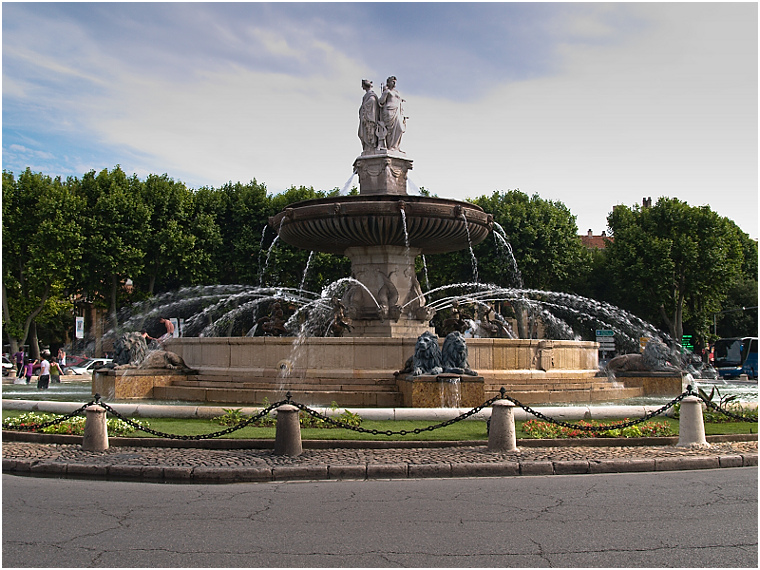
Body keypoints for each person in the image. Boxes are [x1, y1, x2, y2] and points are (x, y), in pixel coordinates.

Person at [377, 76, 406, 152]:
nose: (394, 83)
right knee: (389, 130)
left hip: (397, 112)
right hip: (389, 112)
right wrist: (383, 92)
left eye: (395, 81)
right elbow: (381, 101)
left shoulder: (397, 92)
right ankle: (390, 147)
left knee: (399, 129)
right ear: (388, 83)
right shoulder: (387, 92)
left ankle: (395, 146)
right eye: (392, 81)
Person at [358, 79, 379, 153]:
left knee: (369, 133)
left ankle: (370, 148)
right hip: (366, 118)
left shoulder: (371, 95)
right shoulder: (367, 95)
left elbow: (372, 101)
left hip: (370, 119)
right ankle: (368, 148)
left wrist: (364, 108)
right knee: (362, 134)